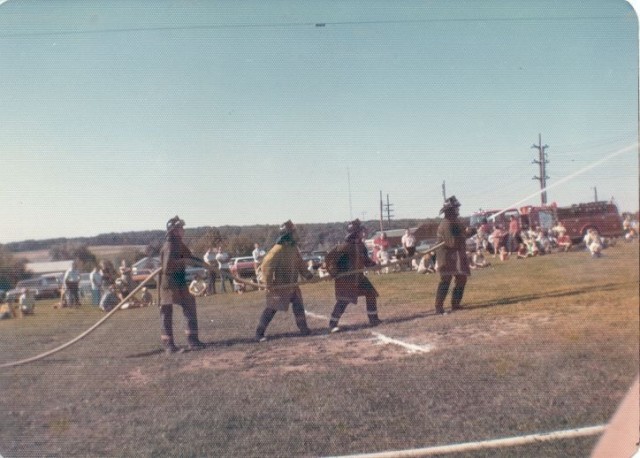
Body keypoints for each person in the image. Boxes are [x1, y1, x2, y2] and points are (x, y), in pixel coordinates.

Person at [255, 220, 314, 342]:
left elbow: (299, 263)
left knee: (298, 306)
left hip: (292, 285)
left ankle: (303, 329)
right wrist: (269, 283)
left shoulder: (293, 248)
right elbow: (267, 265)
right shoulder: (277, 250)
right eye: (293, 232)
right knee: (271, 309)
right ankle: (259, 333)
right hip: (280, 287)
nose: (295, 234)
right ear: (288, 234)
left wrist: (307, 275)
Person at [158, 216, 208, 353]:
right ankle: (169, 345)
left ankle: (193, 340)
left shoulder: (180, 244)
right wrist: (183, 260)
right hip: (168, 283)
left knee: (190, 305)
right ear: (174, 231)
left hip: (179, 280)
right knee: (166, 312)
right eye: (180, 228)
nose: (183, 230)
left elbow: (189, 257)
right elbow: (168, 266)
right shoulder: (169, 246)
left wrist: (203, 263)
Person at [325, 219, 381, 333]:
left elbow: (365, 260)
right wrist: (333, 272)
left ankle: (373, 319)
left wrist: (374, 265)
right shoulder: (344, 247)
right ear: (355, 233)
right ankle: (332, 324)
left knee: (370, 293)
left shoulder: (361, 246)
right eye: (360, 231)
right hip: (346, 280)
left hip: (359, 278)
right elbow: (330, 260)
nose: (363, 233)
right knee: (343, 301)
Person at [434, 196, 471, 314]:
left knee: (461, 278)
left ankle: (455, 304)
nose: (458, 210)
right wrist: (465, 234)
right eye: (456, 208)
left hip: (456, 255)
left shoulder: (456, 221)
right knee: (445, 280)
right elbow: (452, 242)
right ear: (450, 210)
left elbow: (462, 233)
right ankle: (438, 307)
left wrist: (471, 231)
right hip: (446, 256)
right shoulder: (446, 224)